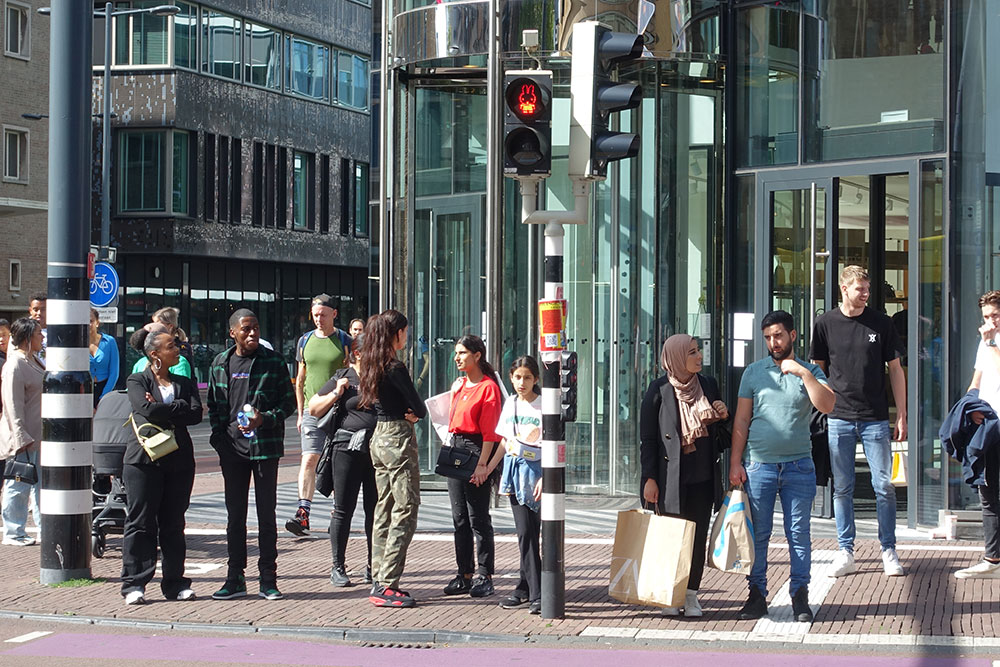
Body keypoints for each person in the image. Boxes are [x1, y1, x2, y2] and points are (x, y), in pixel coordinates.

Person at [729, 310, 835, 623]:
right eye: (768, 337)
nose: (773, 342)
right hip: (759, 465)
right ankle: (756, 594)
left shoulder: (810, 370)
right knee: (758, 534)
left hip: (798, 466)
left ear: (792, 335)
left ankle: (800, 595)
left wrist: (803, 374)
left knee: (798, 533)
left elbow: (828, 405)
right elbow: (742, 420)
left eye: (778, 335)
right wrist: (735, 462)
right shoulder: (753, 372)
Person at [810, 265, 907, 578]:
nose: (865, 294)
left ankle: (888, 549)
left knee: (884, 486)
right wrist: (819, 408)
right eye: (859, 289)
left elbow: (895, 369)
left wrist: (901, 413)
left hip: (875, 417)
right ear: (844, 289)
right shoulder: (825, 323)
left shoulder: (881, 323)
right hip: (839, 416)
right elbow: (817, 371)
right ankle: (845, 550)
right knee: (842, 488)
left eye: (867, 288)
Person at [207, 309, 295, 601]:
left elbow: (288, 403)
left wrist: (265, 419)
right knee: (235, 517)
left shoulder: (274, 361)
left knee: (266, 516)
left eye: (256, 328)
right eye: (246, 329)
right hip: (232, 450)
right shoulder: (220, 363)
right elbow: (215, 405)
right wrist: (220, 438)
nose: (253, 333)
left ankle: (268, 578)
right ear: (233, 332)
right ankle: (235, 577)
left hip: (265, 449)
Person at [640, 334, 729, 617]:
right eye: (692, 352)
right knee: (671, 538)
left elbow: (721, 438)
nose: (699, 356)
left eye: (698, 350)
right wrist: (649, 478)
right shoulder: (659, 390)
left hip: (703, 477)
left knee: (696, 537)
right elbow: (648, 440)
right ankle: (671, 595)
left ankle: (691, 595)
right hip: (670, 478)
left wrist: (722, 416)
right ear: (676, 357)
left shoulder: (708, 385)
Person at [121, 329, 202, 605]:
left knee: (174, 522)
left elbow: (195, 413)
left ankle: (175, 584)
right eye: (171, 346)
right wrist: (176, 409)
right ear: (155, 354)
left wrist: (164, 407)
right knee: (140, 522)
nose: (177, 349)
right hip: (144, 460)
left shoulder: (184, 380)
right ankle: (134, 584)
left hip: (179, 459)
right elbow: (145, 410)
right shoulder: (136, 380)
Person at [359, 309, 426, 608]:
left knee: (384, 507)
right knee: (406, 506)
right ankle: (388, 582)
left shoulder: (370, 362)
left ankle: (378, 575)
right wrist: (413, 413)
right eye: (405, 331)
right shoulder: (395, 366)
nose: (406, 336)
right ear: (396, 333)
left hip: (379, 436)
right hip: (398, 436)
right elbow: (418, 406)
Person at [308, 334, 376, 588]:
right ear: (358, 354)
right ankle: (338, 565)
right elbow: (314, 408)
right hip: (345, 449)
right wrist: (337, 393)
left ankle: (373, 565)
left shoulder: (379, 378)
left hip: (375, 450)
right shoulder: (343, 376)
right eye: (371, 351)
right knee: (343, 508)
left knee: (375, 509)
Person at [442, 335, 504, 599]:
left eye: (462, 353)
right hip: (455, 447)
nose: (457, 357)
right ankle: (464, 573)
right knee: (459, 518)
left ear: (477, 355)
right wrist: (454, 392)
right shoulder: (460, 385)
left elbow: (491, 433)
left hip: (476, 448)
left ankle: (485, 574)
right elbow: (451, 420)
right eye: (456, 353)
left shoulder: (488, 388)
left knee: (478, 517)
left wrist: (483, 465)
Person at [288, 293, 352, 536]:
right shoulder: (304, 341)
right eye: (315, 315)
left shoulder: (344, 340)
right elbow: (300, 379)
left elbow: (353, 371)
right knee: (309, 459)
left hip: (338, 411)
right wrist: (300, 412)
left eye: (323, 315)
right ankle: (303, 513)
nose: (318, 319)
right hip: (312, 411)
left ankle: (338, 514)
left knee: (337, 462)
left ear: (334, 314)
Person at [953, 290, 1000, 578]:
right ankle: (993, 559)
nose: (990, 321)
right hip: (988, 426)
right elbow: (976, 381)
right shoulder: (985, 343)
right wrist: (970, 408)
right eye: (986, 316)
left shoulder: (990, 342)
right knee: (988, 491)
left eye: (995, 315)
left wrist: (991, 342)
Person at [496, 355, 543, 614]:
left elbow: (555, 443)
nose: (521, 382)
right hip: (514, 470)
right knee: (525, 533)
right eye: (517, 377)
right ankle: (529, 590)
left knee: (531, 532)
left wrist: (547, 477)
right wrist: (487, 467)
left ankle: (533, 591)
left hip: (537, 472)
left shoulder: (545, 404)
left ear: (536, 379)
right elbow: (505, 440)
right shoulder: (511, 403)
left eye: (527, 377)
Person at [0, 318, 43, 546]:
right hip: (24, 437)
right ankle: (13, 532)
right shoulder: (14, 365)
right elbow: (12, 404)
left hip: (39, 436)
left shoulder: (35, 360)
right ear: (27, 338)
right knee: (18, 483)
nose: (42, 337)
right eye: (38, 334)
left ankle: (44, 528)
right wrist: (20, 436)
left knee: (40, 485)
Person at [89, 308, 120, 407]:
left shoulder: (109, 341)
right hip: (84, 390)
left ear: (97, 323)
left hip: (105, 387)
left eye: (90, 321)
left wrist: (104, 397)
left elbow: (114, 372)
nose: (87, 325)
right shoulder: (78, 343)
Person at [28, 293, 46, 361]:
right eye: (35, 310)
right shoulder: (21, 330)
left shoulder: (58, 331)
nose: (39, 313)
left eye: (43, 309)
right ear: (30, 311)